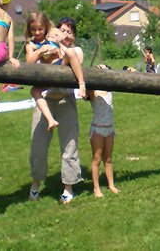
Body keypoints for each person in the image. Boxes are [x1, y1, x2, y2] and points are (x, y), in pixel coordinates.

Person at [28, 17, 84, 204]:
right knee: (38, 146)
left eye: (69, 31)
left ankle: (68, 187)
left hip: (66, 101)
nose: (65, 34)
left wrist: (60, 47)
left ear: (74, 36)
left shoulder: (74, 51)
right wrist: (44, 49)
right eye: (61, 30)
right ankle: (35, 184)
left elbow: (73, 59)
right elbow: (32, 64)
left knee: (69, 146)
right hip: (46, 102)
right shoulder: (46, 47)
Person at [24, 13, 86, 130]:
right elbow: (28, 64)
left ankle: (81, 84)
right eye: (33, 30)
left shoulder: (52, 32)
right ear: (29, 29)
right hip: (48, 74)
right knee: (34, 91)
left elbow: (65, 35)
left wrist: (59, 39)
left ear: (46, 27)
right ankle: (50, 120)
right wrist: (40, 52)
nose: (37, 33)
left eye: (40, 29)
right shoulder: (31, 45)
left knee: (71, 53)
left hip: (60, 65)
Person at [88, 64, 119, 197]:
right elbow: (88, 86)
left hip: (110, 129)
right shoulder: (93, 92)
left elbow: (117, 78)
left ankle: (111, 185)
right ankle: (96, 189)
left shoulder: (110, 89)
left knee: (108, 159)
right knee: (96, 159)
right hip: (98, 130)